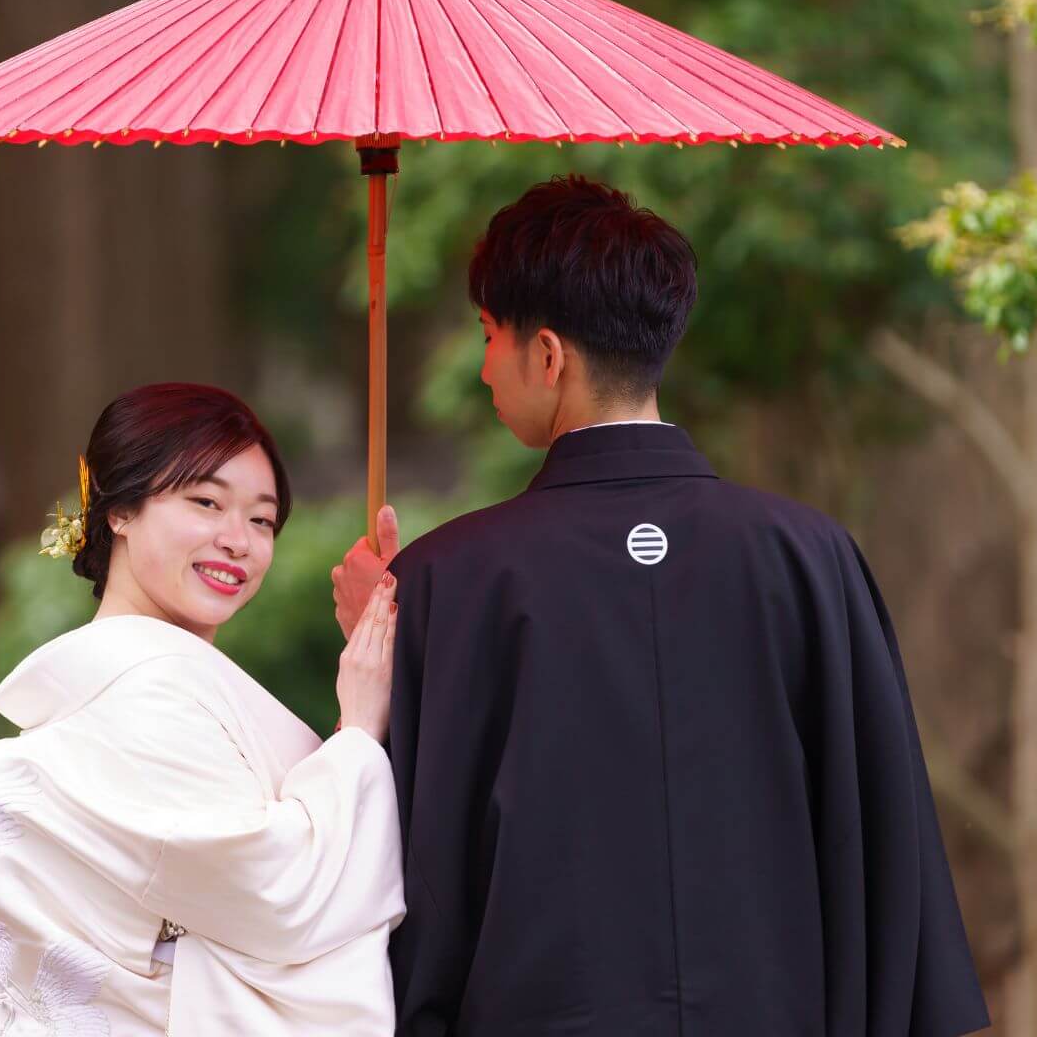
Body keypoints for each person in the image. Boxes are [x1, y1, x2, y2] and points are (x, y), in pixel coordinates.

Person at [333, 176, 991, 1036]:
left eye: (490, 335)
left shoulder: (447, 580)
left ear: (548, 356)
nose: (486, 366)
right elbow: (880, 843)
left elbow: (410, 870)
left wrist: (383, 636)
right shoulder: (810, 556)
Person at [0, 383, 404, 1037]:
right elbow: (281, 895)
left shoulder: (146, 684)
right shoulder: (145, 687)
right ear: (120, 510)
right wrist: (361, 727)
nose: (238, 540)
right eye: (206, 503)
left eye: (262, 520)